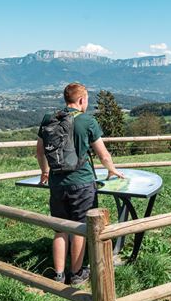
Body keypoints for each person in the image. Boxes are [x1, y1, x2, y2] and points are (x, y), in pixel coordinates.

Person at [36, 82, 124, 285]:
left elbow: (40, 152)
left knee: (60, 228)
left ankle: (58, 274)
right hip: (82, 183)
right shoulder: (87, 121)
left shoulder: (50, 119)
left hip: (57, 183)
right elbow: (103, 154)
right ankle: (76, 274)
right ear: (81, 100)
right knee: (80, 228)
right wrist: (112, 169)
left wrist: (45, 172)